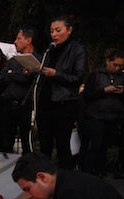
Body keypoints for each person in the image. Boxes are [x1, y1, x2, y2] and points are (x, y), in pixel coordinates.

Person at [35, 14, 87, 169]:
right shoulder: (50, 49)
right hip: (45, 102)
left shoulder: (77, 49)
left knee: (62, 145)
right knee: (44, 144)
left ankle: (65, 179)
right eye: (51, 31)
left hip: (64, 103)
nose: (54, 34)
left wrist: (55, 74)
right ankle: (43, 178)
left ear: (69, 30)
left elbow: (78, 77)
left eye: (58, 30)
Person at [81, 49, 124, 176]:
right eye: (115, 65)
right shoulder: (96, 75)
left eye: (120, 66)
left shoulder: (121, 77)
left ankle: (100, 170)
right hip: (96, 116)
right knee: (95, 145)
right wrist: (104, 90)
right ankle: (89, 171)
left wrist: (122, 93)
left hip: (113, 116)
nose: (117, 68)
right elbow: (86, 94)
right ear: (108, 61)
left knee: (105, 146)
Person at [1, 27, 38, 154]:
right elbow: (3, 78)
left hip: (26, 106)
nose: (15, 42)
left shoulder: (38, 60)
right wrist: (19, 75)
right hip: (9, 106)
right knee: (6, 143)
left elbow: (31, 79)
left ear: (28, 40)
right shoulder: (13, 60)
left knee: (26, 143)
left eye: (19, 38)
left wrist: (14, 75)